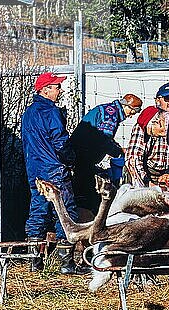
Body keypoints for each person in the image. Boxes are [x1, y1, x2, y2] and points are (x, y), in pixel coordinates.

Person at [21, 72, 87, 275]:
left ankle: (34, 263)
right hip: (54, 170)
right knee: (65, 212)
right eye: (56, 86)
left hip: (35, 170)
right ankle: (67, 264)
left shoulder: (28, 113)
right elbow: (60, 141)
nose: (60, 90)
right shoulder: (51, 112)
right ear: (45, 89)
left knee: (38, 212)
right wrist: (72, 160)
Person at [71, 94, 142, 214]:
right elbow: (103, 140)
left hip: (79, 152)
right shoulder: (111, 115)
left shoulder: (108, 110)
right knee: (84, 189)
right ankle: (84, 216)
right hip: (83, 155)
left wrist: (118, 148)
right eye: (132, 112)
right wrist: (118, 152)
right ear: (126, 105)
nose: (130, 116)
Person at [124, 83, 169, 187]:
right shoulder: (146, 124)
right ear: (157, 101)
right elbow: (133, 159)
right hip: (147, 174)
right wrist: (147, 183)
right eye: (167, 98)